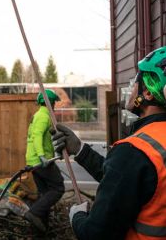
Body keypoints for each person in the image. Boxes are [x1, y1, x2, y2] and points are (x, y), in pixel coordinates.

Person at [51, 46, 166, 240]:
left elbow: (96, 234)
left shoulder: (136, 151)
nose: (131, 88)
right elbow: (126, 183)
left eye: (135, 81)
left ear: (147, 93)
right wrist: (80, 150)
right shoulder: (150, 149)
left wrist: (77, 217)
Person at [24, 89, 65, 233]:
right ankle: (34, 213)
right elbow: (37, 136)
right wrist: (42, 156)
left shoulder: (39, 114)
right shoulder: (43, 116)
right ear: (50, 103)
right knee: (58, 188)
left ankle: (40, 229)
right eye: (53, 103)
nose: (54, 106)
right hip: (41, 161)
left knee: (45, 193)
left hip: (33, 160)